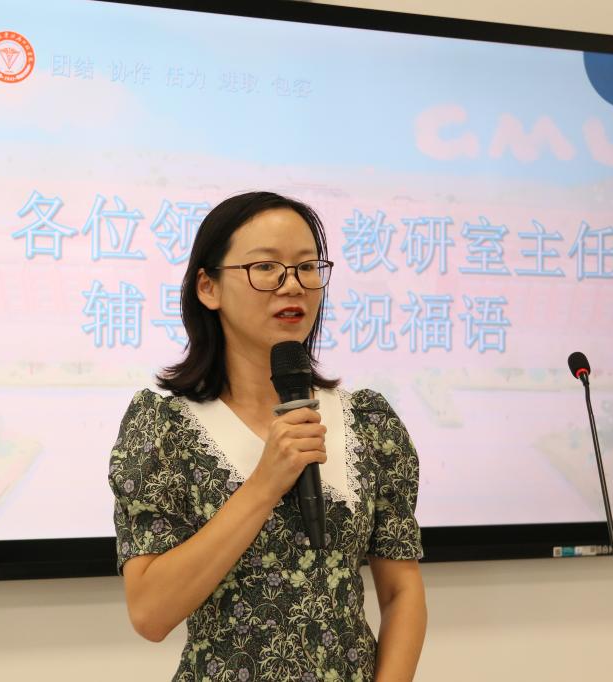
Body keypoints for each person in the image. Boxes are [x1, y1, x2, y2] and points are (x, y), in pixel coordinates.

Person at [108, 191, 427, 681]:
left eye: (306, 267)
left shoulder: (368, 421)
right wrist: (264, 483)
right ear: (208, 287)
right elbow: (150, 614)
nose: (292, 285)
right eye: (266, 268)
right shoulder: (164, 428)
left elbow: (401, 591)